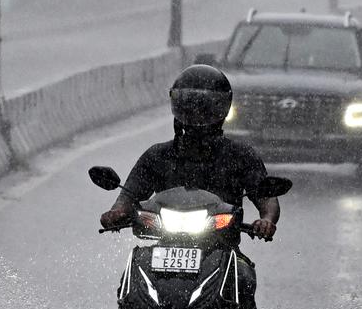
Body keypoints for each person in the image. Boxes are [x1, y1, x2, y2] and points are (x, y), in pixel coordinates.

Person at [99, 65, 280, 244]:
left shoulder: (241, 156)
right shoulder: (157, 156)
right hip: (165, 244)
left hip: (223, 248)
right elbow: (128, 196)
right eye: (190, 106)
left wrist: (267, 220)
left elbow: (267, 200)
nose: (197, 114)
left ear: (220, 107)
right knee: (136, 263)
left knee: (244, 271)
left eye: (205, 107)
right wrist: (116, 212)